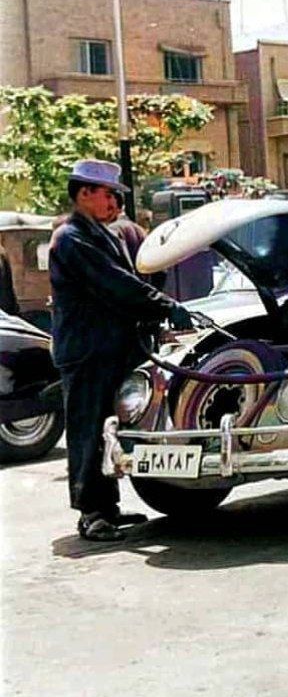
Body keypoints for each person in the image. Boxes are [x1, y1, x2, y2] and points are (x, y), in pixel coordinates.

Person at [49, 159, 193, 542]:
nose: (114, 202)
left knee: (109, 430)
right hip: (87, 351)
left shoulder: (105, 234)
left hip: (112, 348)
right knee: (87, 429)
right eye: (108, 194)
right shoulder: (71, 238)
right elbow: (113, 283)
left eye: (116, 195)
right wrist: (164, 305)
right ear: (84, 194)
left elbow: (133, 279)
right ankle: (91, 513)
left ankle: (107, 508)